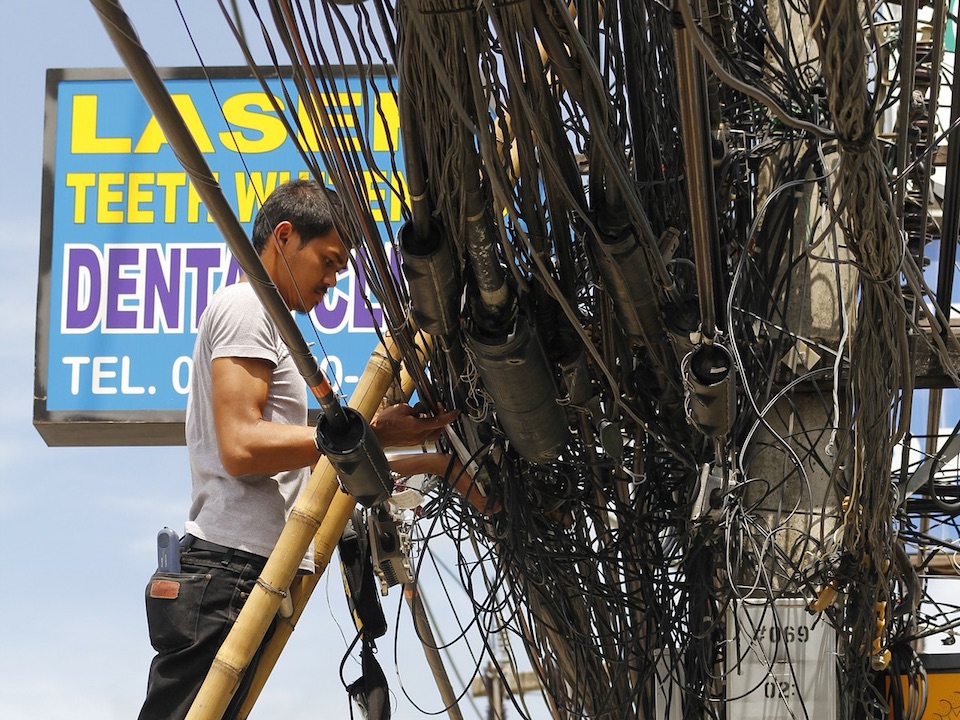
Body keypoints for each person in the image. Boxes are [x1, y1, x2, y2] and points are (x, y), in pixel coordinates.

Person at [137, 179, 458, 720]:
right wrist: (365, 435)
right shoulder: (246, 306)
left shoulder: (268, 320)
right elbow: (241, 445)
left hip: (237, 573)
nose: (333, 281)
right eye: (329, 261)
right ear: (284, 237)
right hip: (226, 571)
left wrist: (396, 445)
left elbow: (293, 452)